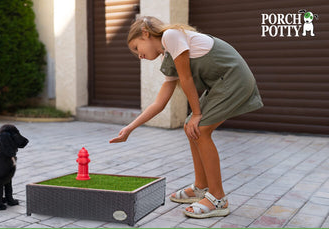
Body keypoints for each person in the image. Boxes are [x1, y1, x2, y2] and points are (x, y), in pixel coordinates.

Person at [109, 16, 263, 218]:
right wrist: (130, 128)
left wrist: (197, 114)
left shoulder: (171, 36)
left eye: (137, 48)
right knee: (189, 127)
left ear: (145, 34)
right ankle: (201, 187)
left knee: (201, 129)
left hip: (234, 79)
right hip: (221, 83)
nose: (139, 55)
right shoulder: (168, 55)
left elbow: (186, 78)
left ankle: (218, 198)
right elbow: (159, 103)